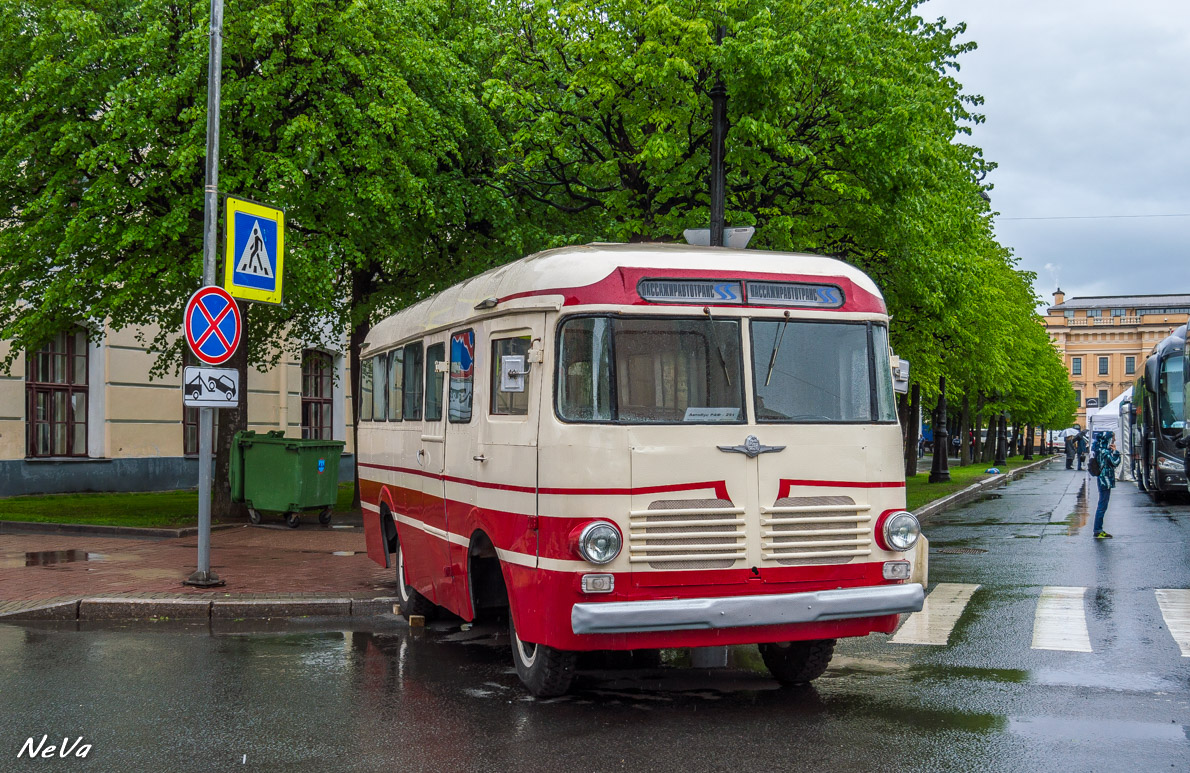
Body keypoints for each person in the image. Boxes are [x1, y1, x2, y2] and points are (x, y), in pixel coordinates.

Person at [1092, 431, 1122, 539]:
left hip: (1102, 479)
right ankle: (1098, 530)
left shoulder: (1099, 450)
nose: (1113, 440)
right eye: (1112, 438)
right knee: (1102, 505)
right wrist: (1116, 452)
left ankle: (1098, 529)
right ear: (1107, 439)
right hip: (1105, 480)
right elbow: (1115, 462)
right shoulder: (1104, 451)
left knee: (1102, 504)